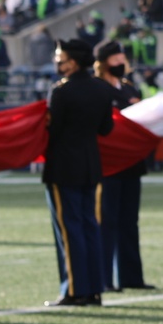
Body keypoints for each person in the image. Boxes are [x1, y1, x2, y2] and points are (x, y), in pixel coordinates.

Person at [42, 38, 113, 307]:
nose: (57, 62)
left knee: (69, 230)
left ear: (72, 61)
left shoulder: (61, 91)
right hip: (91, 165)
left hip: (63, 167)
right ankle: (94, 288)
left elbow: (54, 130)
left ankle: (74, 289)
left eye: (60, 58)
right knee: (89, 228)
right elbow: (106, 129)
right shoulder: (101, 89)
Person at [94, 40, 153, 292]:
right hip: (107, 166)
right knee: (106, 222)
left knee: (130, 222)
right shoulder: (97, 89)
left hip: (131, 165)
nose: (121, 62)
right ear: (104, 62)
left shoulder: (130, 88)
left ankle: (132, 278)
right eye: (116, 59)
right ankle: (104, 278)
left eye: (122, 58)